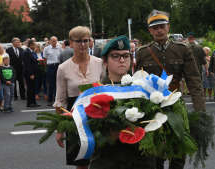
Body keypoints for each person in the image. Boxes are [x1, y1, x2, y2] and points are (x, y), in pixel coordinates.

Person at [135, 9, 205, 169]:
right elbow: (137, 82)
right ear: (150, 30)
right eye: (155, 27)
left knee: (180, 147)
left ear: (168, 27)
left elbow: (194, 80)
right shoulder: (143, 53)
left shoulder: (182, 49)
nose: (159, 30)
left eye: (162, 26)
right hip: (152, 107)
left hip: (176, 104)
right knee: (155, 151)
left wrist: (200, 110)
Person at [88, 35, 157, 169]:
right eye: (115, 56)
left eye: (126, 56)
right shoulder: (95, 91)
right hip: (108, 160)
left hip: (141, 160)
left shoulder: (144, 89)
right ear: (105, 62)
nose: (121, 60)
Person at [53, 26, 104, 168]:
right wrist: (60, 129)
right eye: (78, 41)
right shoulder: (63, 68)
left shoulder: (99, 63)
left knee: (101, 160)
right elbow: (60, 100)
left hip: (100, 114)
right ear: (71, 42)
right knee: (81, 163)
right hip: (75, 117)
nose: (83, 45)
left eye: (86, 40)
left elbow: (107, 89)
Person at [43, 36, 62, 106]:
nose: (54, 42)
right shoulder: (46, 48)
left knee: (58, 84)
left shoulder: (59, 47)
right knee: (51, 84)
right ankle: (50, 100)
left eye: (55, 41)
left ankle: (57, 100)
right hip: (50, 66)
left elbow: (61, 57)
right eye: (53, 41)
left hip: (58, 66)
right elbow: (45, 59)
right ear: (50, 41)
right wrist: (46, 67)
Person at [23, 40, 40, 107]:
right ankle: (30, 103)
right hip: (29, 73)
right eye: (34, 45)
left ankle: (33, 102)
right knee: (30, 88)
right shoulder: (26, 52)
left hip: (34, 72)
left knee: (33, 88)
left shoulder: (32, 52)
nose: (35, 46)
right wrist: (31, 74)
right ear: (30, 45)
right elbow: (28, 64)